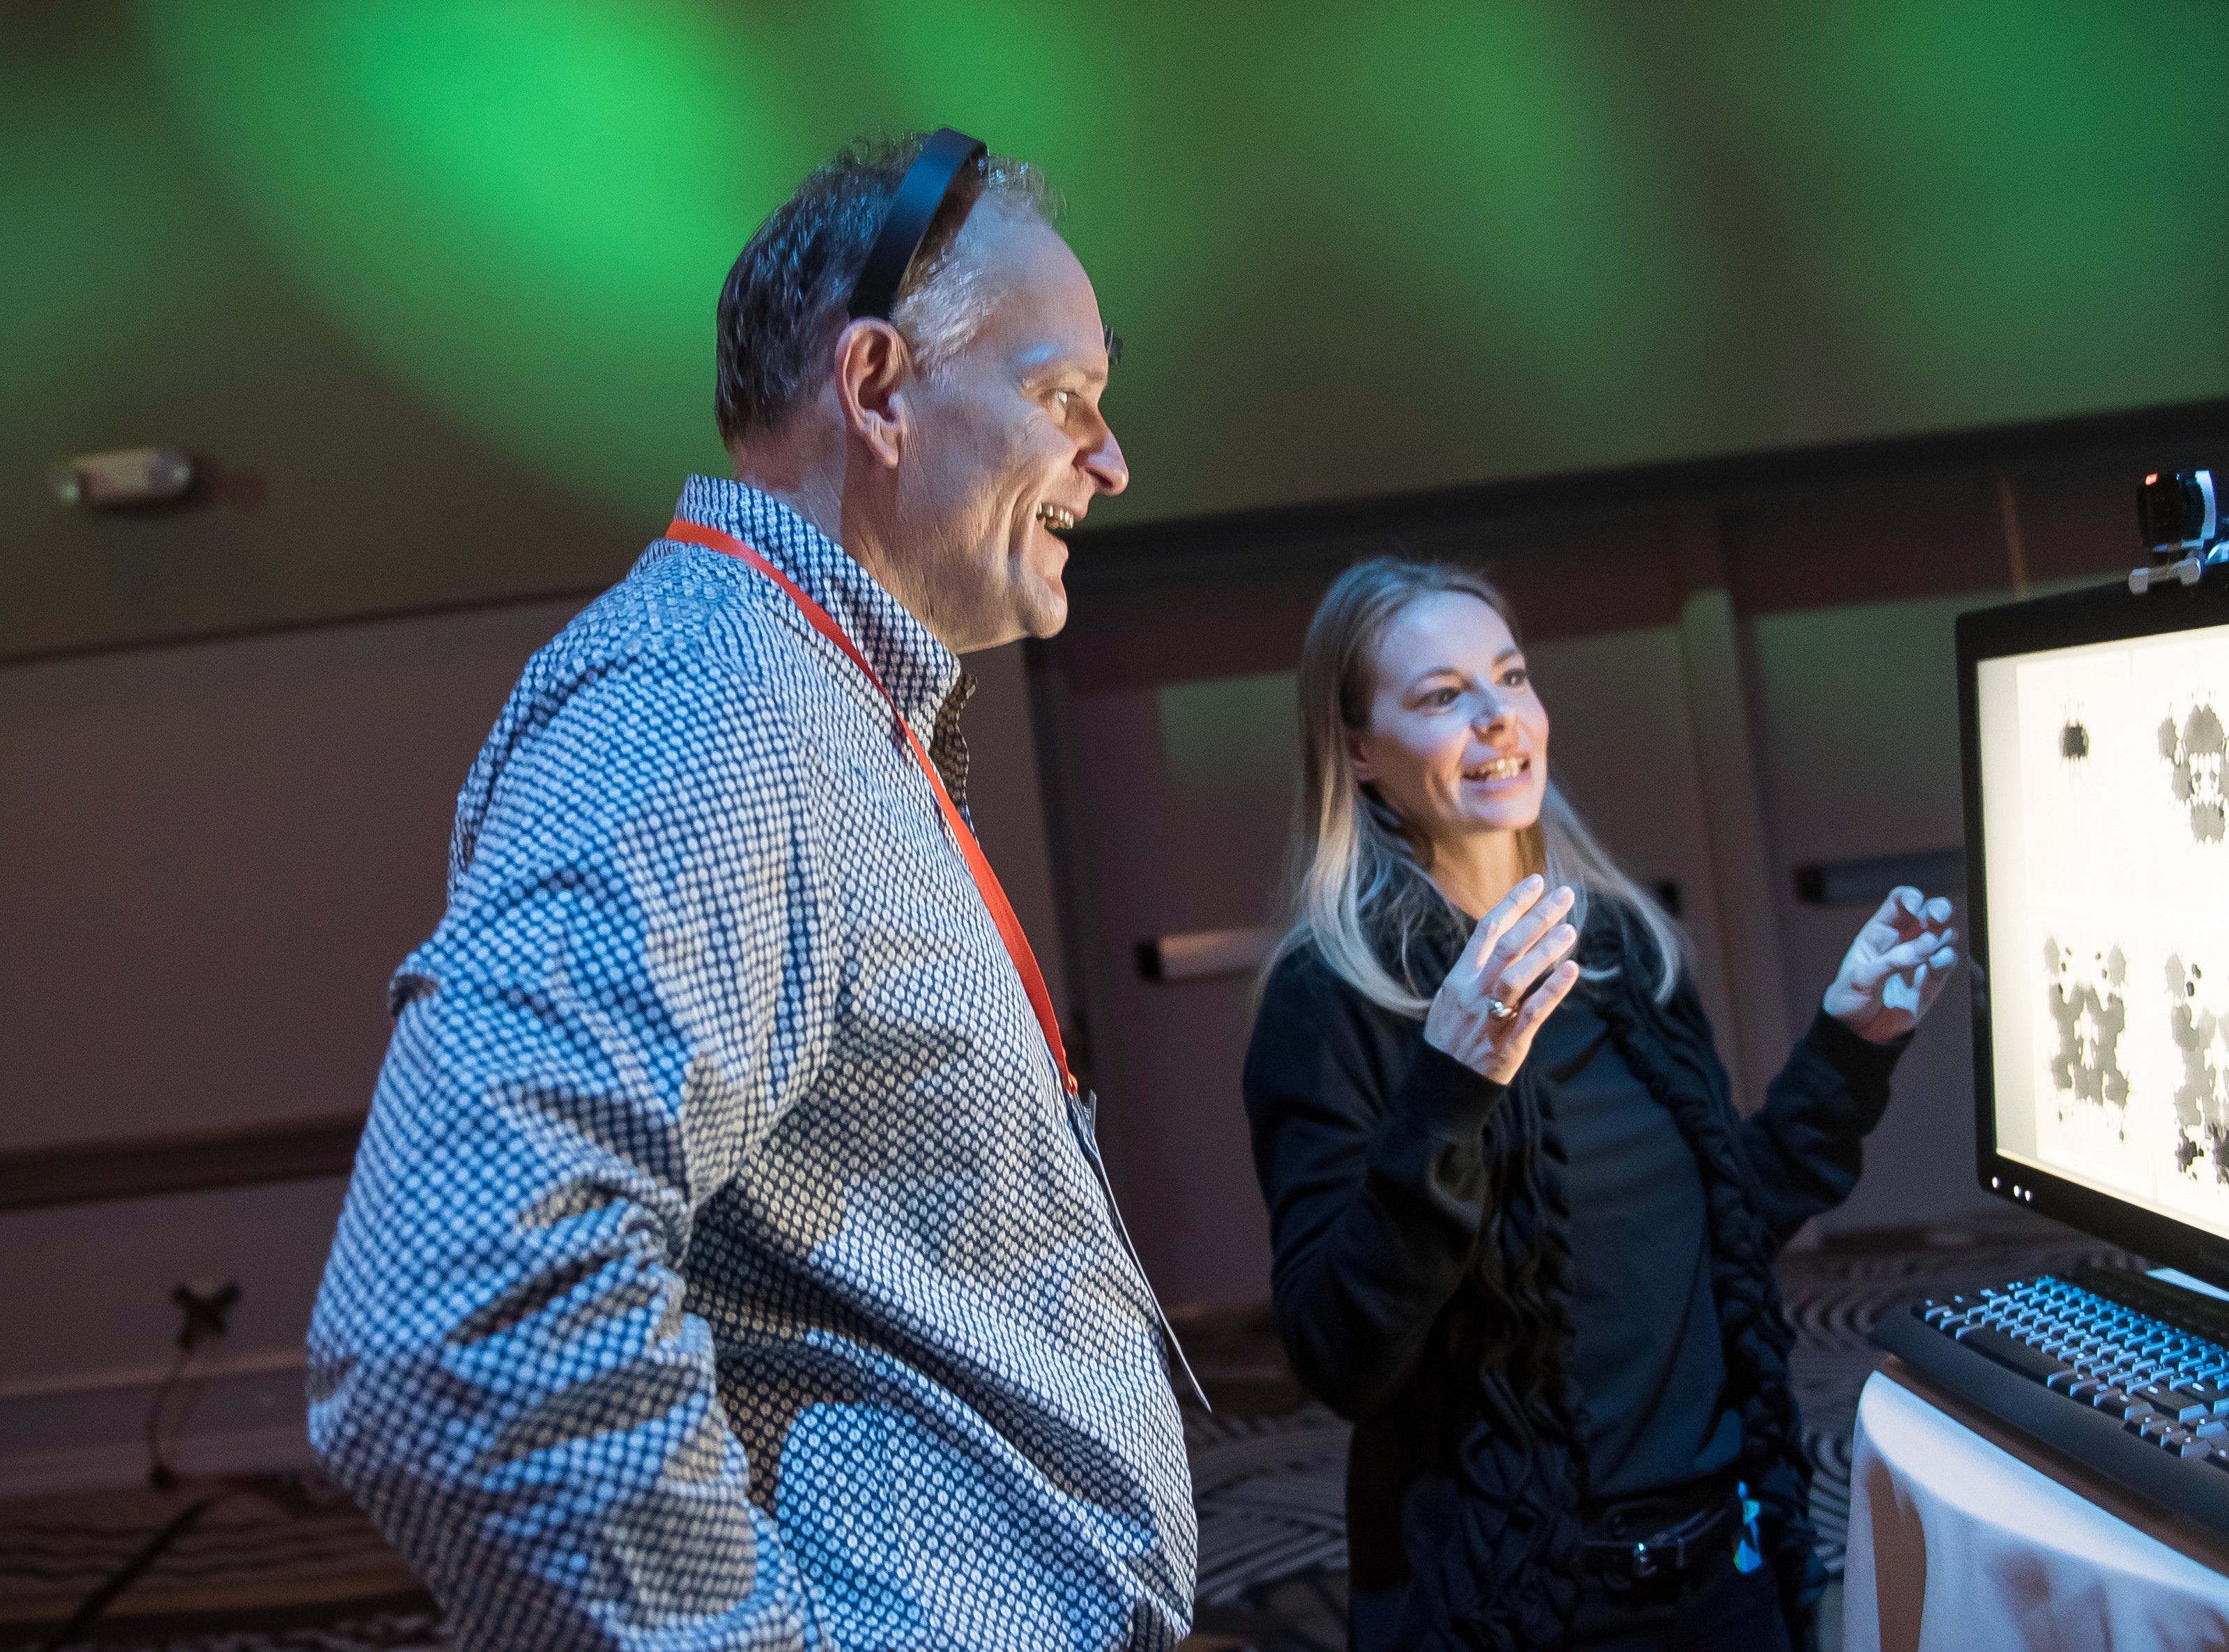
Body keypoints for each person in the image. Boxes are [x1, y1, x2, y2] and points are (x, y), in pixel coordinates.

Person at [306, 132, 1195, 1651]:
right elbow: (460, 1313)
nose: (1109, 461)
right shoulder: (711, 704)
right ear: (876, 390)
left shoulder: (817, 703)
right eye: (1065, 401)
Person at [1243, 559, 1960, 1651]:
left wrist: (1847, 1047)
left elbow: (1721, 1230)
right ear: (1357, 752)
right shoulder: (1332, 996)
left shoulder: (1617, 948)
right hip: (1525, 1606)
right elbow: (1340, 1349)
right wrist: (1451, 1084)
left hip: (1729, 1562)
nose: (1497, 719)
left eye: (1510, 677)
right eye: (1441, 697)